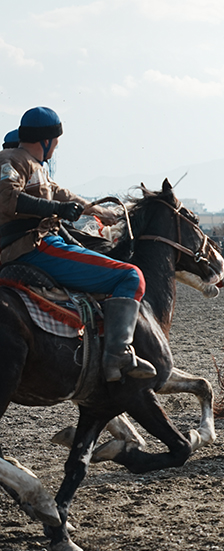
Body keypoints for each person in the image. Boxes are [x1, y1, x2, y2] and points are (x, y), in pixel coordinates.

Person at [0, 106, 156, 382]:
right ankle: (116, 356)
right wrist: (57, 209)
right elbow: (8, 200)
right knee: (132, 276)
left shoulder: (36, 168)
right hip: (34, 246)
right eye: (56, 140)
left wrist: (100, 211)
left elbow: (64, 195)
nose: (57, 146)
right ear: (46, 139)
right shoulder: (10, 159)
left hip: (40, 244)